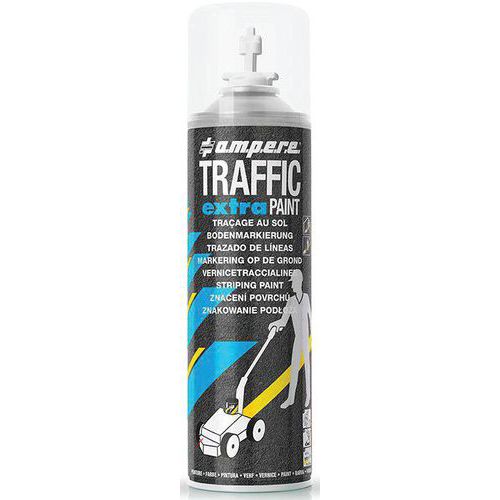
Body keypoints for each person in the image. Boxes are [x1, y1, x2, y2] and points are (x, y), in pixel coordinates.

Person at [269, 269, 311, 409]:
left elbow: (311, 318)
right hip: (298, 338)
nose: (292, 285)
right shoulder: (291, 301)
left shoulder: (306, 298)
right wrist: (274, 324)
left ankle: (308, 397)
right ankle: (291, 398)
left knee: (307, 367)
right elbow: (283, 320)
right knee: (294, 368)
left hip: (307, 338)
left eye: (293, 282)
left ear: (300, 281)